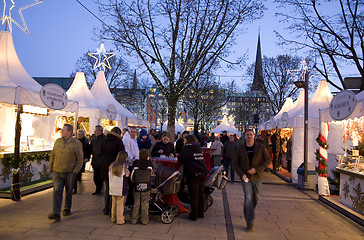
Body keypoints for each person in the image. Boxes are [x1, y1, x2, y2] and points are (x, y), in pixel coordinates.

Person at [233, 129, 270, 232]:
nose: (249, 136)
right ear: (244, 136)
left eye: (251, 135)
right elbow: (235, 163)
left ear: (254, 136)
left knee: (256, 197)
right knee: (248, 197)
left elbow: (268, 160)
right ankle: (249, 222)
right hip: (246, 177)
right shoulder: (240, 149)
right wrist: (242, 175)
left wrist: (256, 169)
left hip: (257, 176)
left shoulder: (260, 147)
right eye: (247, 135)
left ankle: (250, 211)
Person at [48, 124, 83, 221]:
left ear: (69, 132)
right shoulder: (58, 141)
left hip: (69, 171)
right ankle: (56, 212)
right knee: (57, 190)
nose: (61, 132)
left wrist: (75, 171)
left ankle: (67, 207)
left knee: (68, 190)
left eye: (63, 130)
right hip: (57, 170)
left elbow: (80, 159)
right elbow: (53, 154)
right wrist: (51, 166)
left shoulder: (76, 143)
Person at [178, 135, 208, 221]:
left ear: (188, 141)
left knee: (194, 194)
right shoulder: (198, 147)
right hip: (202, 172)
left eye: (184, 140)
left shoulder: (188, 148)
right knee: (200, 194)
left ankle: (194, 215)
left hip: (193, 172)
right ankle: (200, 213)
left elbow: (180, 158)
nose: (183, 142)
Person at [101, 127, 125, 215]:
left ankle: (106, 208)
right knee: (114, 188)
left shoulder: (104, 140)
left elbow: (101, 152)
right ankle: (112, 208)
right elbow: (122, 153)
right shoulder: (119, 141)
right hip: (115, 166)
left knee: (107, 188)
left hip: (105, 165)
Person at [130, 149, 153, 225]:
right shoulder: (150, 165)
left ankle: (134, 220)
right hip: (146, 186)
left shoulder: (136, 164)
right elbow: (151, 174)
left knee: (136, 202)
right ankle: (144, 220)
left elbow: (132, 176)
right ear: (147, 156)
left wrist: (134, 182)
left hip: (137, 185)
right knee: (145, 203)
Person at [109, 151, 129, 225]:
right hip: (120, 187)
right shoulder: (124, 166)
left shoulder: (112, 165)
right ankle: (120, 220)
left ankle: (113, 218)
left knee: (113, 203)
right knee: (120, 204)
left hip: (112, 186)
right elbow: (127, 174)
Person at [73, 129, 90, 194]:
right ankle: (75, 189)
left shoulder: (85, 141)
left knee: (79, 172)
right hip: (74, 159)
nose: (78, 135)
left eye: (79, 134)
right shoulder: (74, 140)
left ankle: (79, 180)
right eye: (77, 134)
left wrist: (86, 158)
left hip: (81, 159)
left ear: (83, 135)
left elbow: (87, 151)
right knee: (75, 173)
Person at [90, 125, 105, 195]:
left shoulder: (104, 139)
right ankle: (98, 187)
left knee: (100, 176)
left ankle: (99, 188)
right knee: (95, 176)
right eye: (95, 130)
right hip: (95, 160)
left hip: (101, 160)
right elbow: (91, 148)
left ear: (100, 131)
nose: (95, 131)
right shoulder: (94, 139)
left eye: (96, 130)